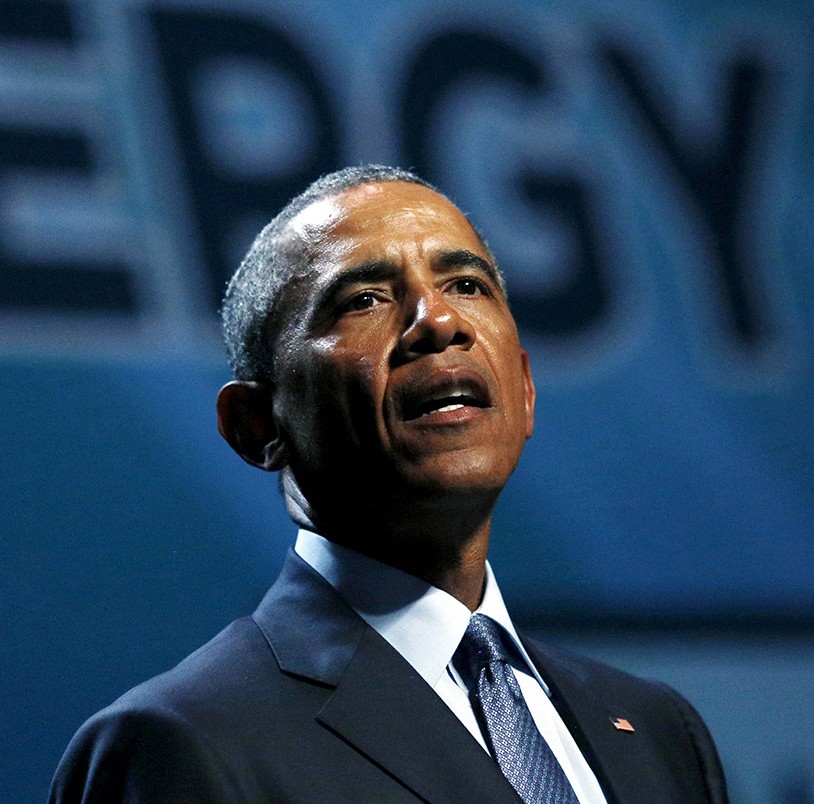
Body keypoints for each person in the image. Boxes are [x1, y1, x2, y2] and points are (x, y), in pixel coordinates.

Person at [50, 166, 727, 803]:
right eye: (364, 299)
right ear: (256, 424)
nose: (438, 323)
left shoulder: (660, 732)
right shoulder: (182, 744)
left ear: (523, 387)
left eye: (466, 285)